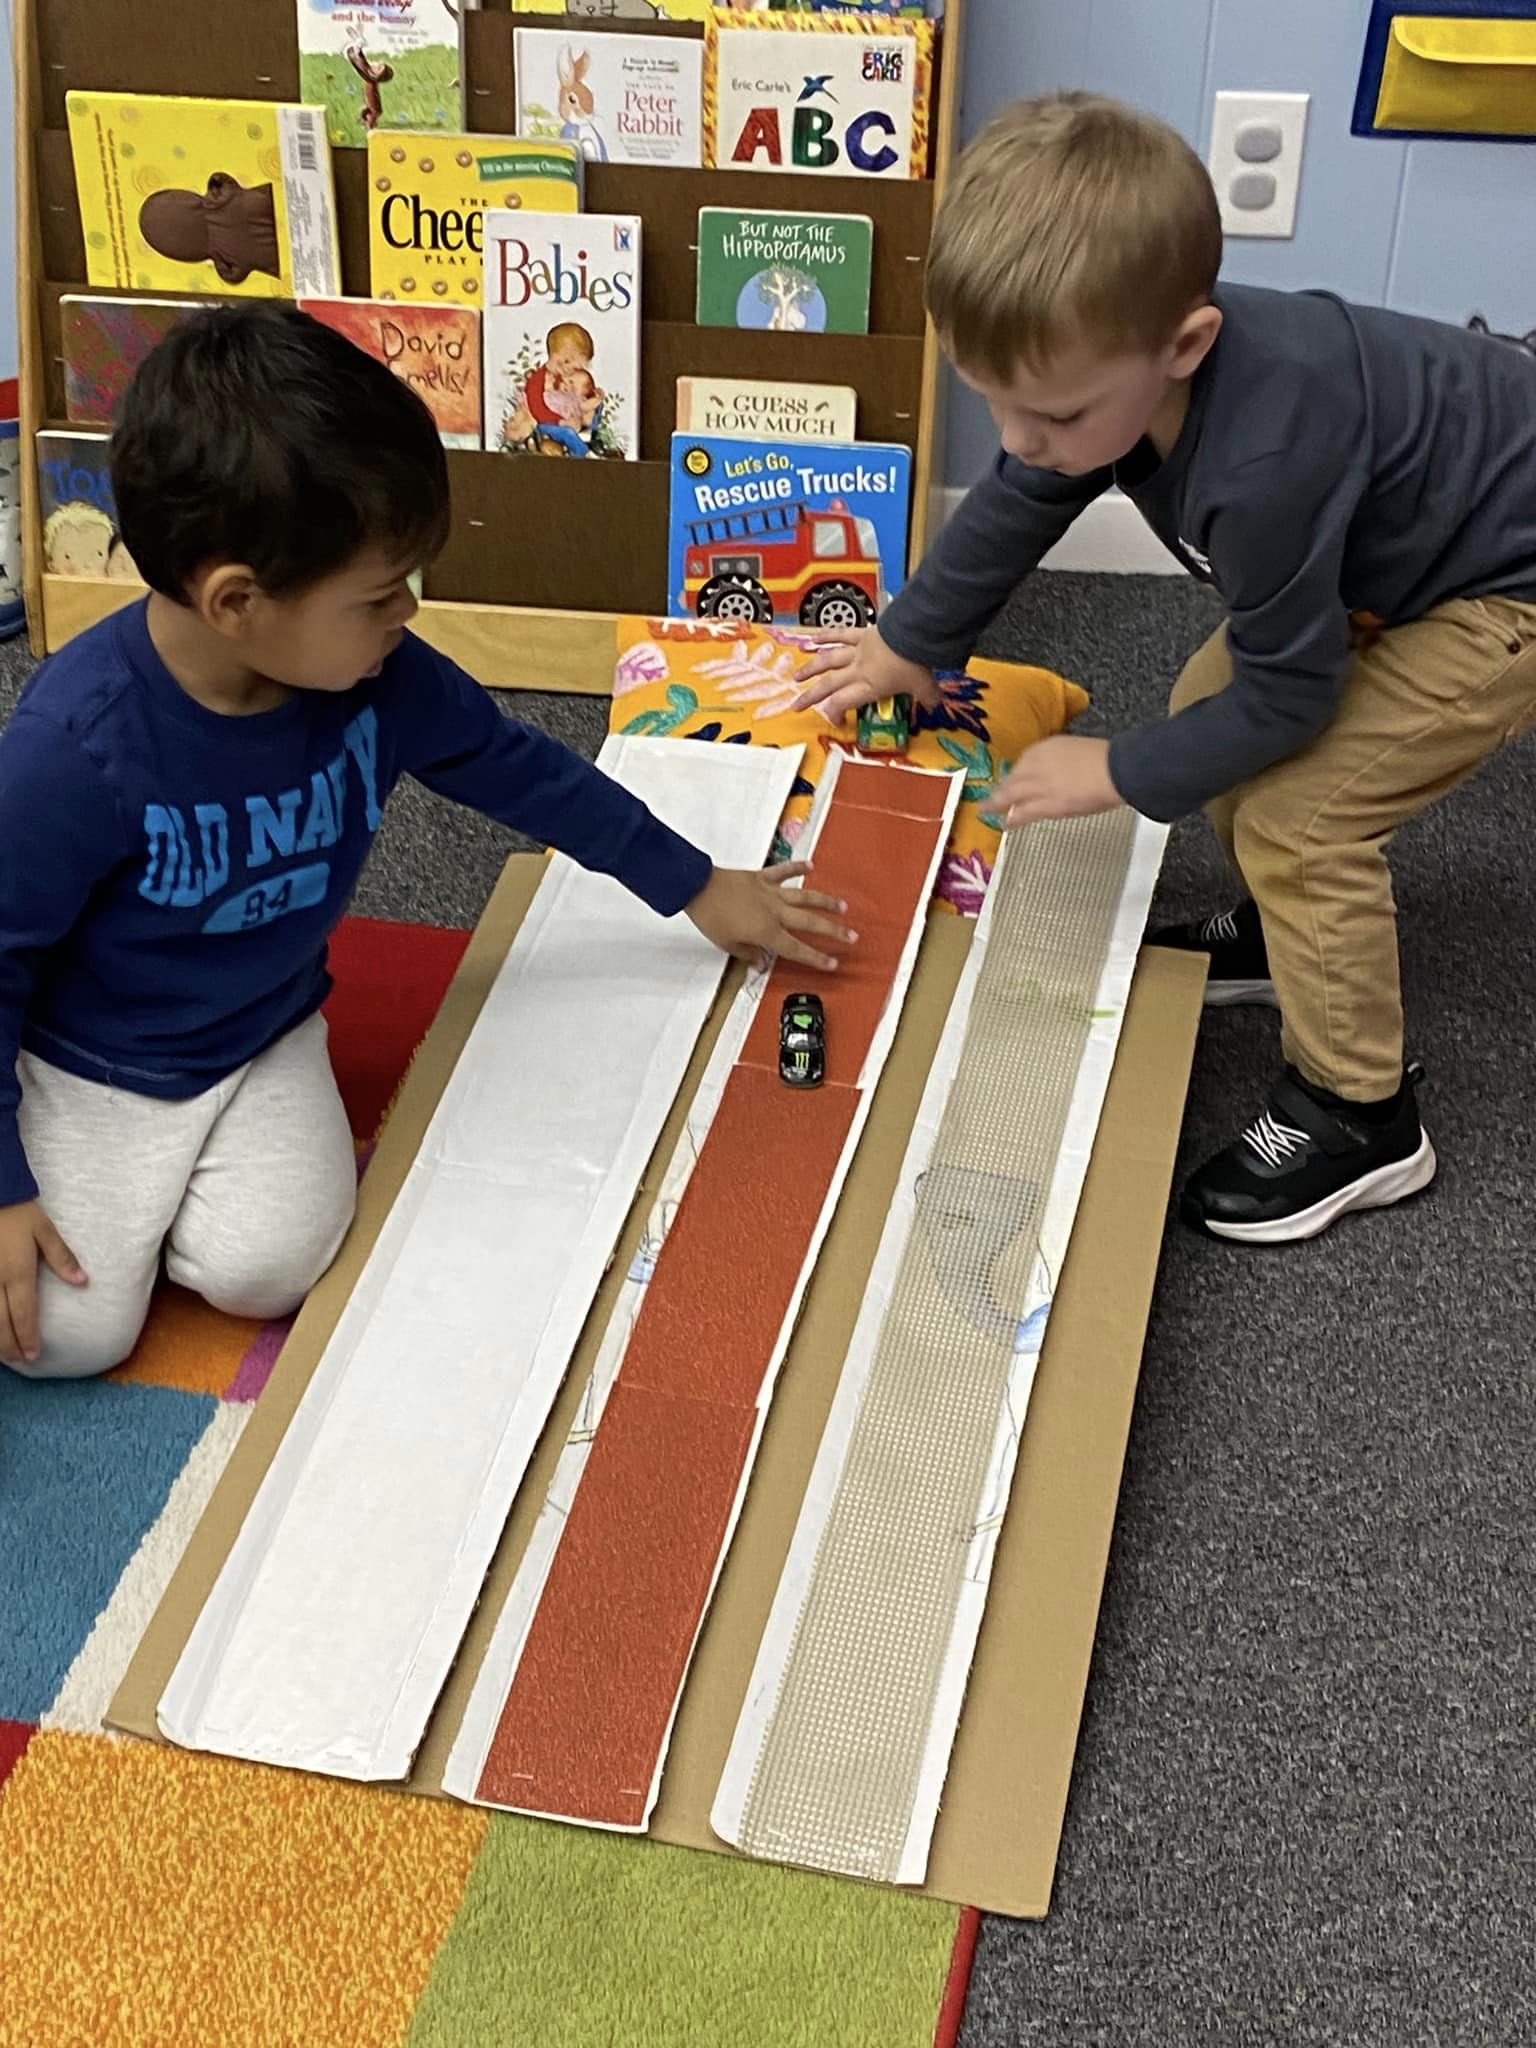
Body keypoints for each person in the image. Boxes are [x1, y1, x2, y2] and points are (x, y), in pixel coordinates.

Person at [0, 302, 852, 1377]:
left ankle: (159, 1201)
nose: (407, 613)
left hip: (259, 1032)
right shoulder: (74, 749)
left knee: (270, 1269)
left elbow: (522, 770)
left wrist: (695, 884)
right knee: (67, 1340)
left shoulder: (380, 678)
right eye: (377, 597)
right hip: (92, 1061)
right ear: (237, 602)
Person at [795, 91, 1536, 1247]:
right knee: (1207, 708)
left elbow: (1292, 696)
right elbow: (1022, 498)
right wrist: (910, 640)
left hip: (1502, 589)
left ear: (1185, 347)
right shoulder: (1113, 370)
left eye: (1049, 411)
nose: (1017, 437)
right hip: (1407, 543)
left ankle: (1362, 1114)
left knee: (1298, 816)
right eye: (993, 398)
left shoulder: (1263, 462)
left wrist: (1118, 771)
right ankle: (1286, 936)